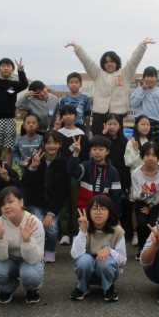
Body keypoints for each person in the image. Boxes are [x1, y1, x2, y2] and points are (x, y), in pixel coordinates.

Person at [64, 37, 156, 137]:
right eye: (106, 62)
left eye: (112, 61)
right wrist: (77, 47)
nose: (109, 64)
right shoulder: (98, 74)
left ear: (117, 62)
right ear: (103, 64)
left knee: (116, 140)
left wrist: (142, 45)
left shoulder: (125, 73)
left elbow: (134, 61)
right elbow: (86, 61)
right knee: (98, 139)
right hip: (99, 115)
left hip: (117, 114)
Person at [0, 186, 45, 304]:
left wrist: (27, 240)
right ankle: (7, 288)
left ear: (21, 202)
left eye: (10, 202)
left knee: (31, 274)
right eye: (2, 204)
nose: (6, 206)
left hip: (29, 261)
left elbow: (35, 258)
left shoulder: (34, 222)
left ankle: (32, 289)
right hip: (8, 259)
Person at [21, 130, 69, 263]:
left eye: (55, 143)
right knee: (37, 225)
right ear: (43, 144)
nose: (51, 146)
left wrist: (51, 213)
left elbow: (62, 191)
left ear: (60, 144)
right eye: (48, 143)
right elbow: (25, 183)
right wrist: (33, 167)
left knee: (52, 228)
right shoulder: (36, 158)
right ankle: (38, 250)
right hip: (35, 202)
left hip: (53, 203)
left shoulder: (63, 162)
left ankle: (50, 250)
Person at [70, 195, 126, 302]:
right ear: (89, 212)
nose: (98, 212)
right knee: (83, 260)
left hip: (107, 270)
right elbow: (75, 254)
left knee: (104, 261)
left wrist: (109, 250)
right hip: (88, 270)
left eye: (103, 209)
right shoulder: (85, 227)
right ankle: (82, 287)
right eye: (95, 208)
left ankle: (108, 287)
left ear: (109, 212)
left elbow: (123, 260)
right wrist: (82, 231)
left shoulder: (117, 230)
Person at [56, 104, 90, 246]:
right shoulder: (58, 133)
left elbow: (86, 156)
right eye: (65, 114)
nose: (67, 116)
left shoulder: (81, 134)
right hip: (60, 172)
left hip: (76, 174)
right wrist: (54, 130)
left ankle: (77, 232)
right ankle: (65, 233)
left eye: (70, 114)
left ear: (75, 116)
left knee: (76, 202)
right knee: (63, 202)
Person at [131, 142, 159, 260]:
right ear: (142, 156)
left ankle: (154, 248)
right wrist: (143, 193)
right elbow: (135, 194)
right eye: (147, 155)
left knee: (154, 224)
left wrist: (151, 206)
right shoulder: (136, 173)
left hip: (157, 203)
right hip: (141, 201)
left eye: (154, 155)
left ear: (158, 157)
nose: (150, 158)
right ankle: (142, 248)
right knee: (142, 224)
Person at [68, 134, 122, 214]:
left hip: (104, 213)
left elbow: (116, 195)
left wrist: (116, 215)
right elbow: (71, 170)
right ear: (90, 151)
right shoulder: (85, 166)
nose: (97, 152)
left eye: (101, 149)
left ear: (107, 151)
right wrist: (76, 152)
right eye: (94, 149)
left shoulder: (113, 171)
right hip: (84, 211)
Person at [101, 113, 133, 244]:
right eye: (109, 124)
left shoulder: (125, 142)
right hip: (104, 178)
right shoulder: (102, 141)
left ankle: (124, 234)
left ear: (120, 126)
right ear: (105, 125)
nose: (112, 127)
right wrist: (102, 136)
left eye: (115, 124)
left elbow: (126, 165)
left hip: (121, 179)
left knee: (121, 206)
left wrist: (127, 183)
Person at [129, 66, 159, 145]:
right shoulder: (138, 90)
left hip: (154, 122)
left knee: (154, 146)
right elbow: (134, 104)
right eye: (147, 76)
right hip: (140, 121)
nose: (149, 79)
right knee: (138, 145)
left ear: (156, 78)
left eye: (152, 76)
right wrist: (143, 91)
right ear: (143, 78)